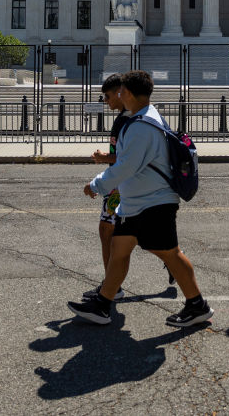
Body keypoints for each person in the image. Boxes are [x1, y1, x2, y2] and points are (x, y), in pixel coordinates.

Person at [67, 70, 213, 327]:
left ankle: (197, 305)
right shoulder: (141, 119)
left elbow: (126, 166)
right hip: (137, 203)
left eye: (121, 91)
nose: (118, 95)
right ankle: (103, 304)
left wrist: (96, 184)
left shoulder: (142, 126)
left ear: (130, 93)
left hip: (154, 203)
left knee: (170, 254)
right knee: (119, 249)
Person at [84, 74, 134, 299]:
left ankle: (111, 288)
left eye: (108, 96)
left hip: (123, 184)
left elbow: (128, 158)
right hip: (118, 182)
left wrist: (105, 159)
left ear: (120, 93)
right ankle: (112, 285)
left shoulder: (130, 119)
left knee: (111, 232)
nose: (106, 101)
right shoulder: (124, 117)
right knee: (114, 232)